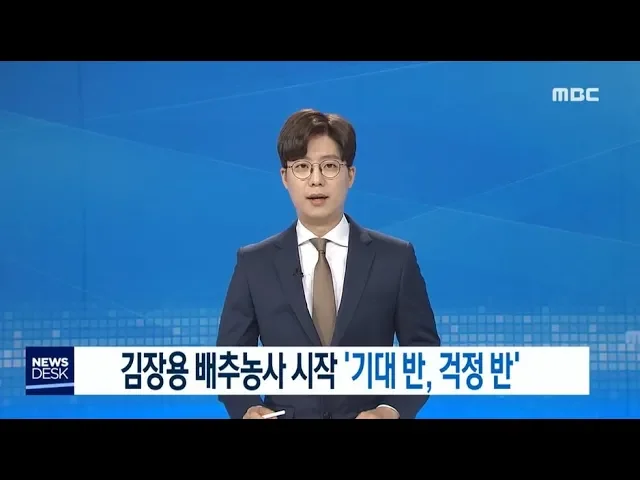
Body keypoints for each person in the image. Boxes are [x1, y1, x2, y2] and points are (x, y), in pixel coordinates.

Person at [216, 108, 440, 419]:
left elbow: (423, 351)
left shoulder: (395, 258)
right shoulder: (254, 263)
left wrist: (390, 410)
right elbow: (229, 358)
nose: (316, 180)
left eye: (330, 166)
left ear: (351, 175)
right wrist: (246, 408)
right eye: (302, 167)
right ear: (285, 178)